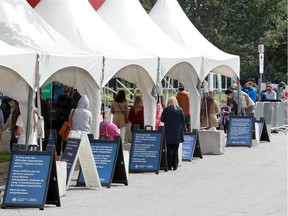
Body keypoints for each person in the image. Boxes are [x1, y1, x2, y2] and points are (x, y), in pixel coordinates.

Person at [161, 96, 185, 171]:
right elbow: (183, 120)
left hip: (168, 131)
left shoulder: (166, 110)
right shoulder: (180, 110)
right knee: (175, 149)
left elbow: (162, 119)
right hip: (177, 132)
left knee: (168, 149)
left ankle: (169, 165)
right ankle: (175, 165)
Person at [54, 87, 73, 159]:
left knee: (58, 138)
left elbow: (56, 108)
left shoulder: (58, 98)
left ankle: (58, 154)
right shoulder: (70, 100)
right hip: (65, 121)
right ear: (70, 91)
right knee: (65, 137)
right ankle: (64, 154)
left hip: (58, 120)